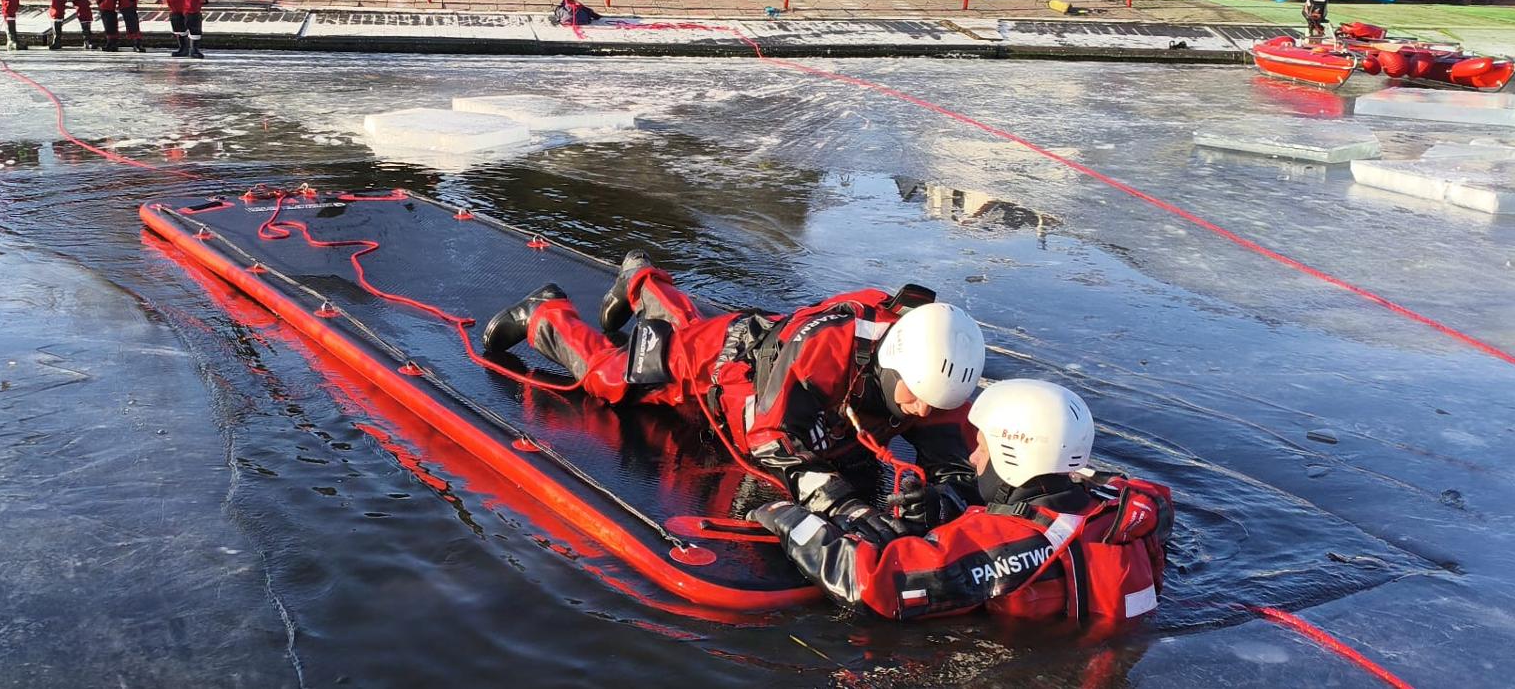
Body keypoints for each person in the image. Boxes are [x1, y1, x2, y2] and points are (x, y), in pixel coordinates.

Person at [481, 251, 987, 542]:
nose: (922, 411)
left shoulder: (937, 371)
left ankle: (640, 279)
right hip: (726, 365)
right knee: (614, 377)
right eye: (916, 398)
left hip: (762, 353)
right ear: (891, 363)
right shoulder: (825, 348)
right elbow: (770, 438)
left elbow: (957, 459)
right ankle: (545, 314)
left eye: (934, 404)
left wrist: (941, 500)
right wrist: (847, 509)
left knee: (680, 332)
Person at [752, 379, 1174, 624]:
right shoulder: (1129, 509)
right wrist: (945, 505)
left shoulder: (1012, 542)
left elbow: (869, 583)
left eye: (983, 448)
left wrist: (786, 517)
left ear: (1013, 457)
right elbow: (1151, 496)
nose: (973, 458)